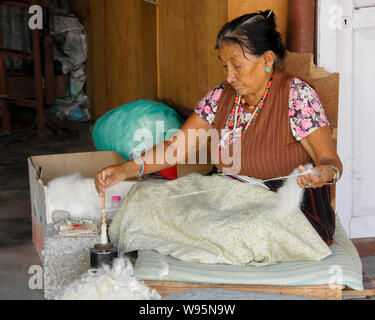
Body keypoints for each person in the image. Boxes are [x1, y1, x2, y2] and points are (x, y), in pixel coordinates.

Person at [95, 10, 343, 245]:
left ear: (267, 59)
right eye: (224, 66)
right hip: (231, 199)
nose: (229, 77)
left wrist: (324, 173)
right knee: (147, 204)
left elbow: (330, 160)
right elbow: (176, 148)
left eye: (237, 66)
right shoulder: (220, 97)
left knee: (238, 231)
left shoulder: (297, 96)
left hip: (287, 210)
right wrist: (126, 169)